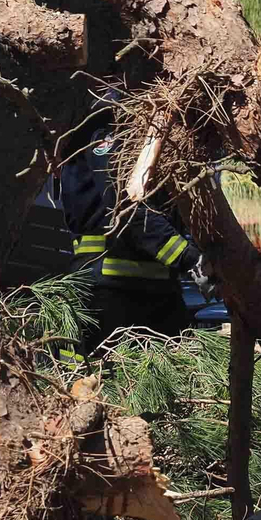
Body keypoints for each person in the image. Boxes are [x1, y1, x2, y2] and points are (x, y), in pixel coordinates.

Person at [58, 102, 212, 352]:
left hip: (157, 292)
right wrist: (189, 258)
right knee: (89, 383)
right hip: (105, 288)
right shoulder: (108, 128)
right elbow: (126, 207)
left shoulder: (156, 136)